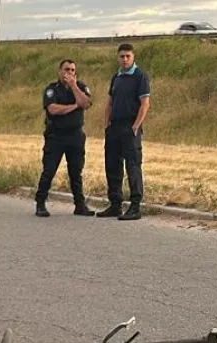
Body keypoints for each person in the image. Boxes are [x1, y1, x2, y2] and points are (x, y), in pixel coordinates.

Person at [35, 59, 94, 218]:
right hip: (56, 136)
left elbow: (86, 103)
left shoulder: (81, 87)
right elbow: (53, 109)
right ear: (59, 71)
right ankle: (40, 203)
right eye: (66, 69)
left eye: (72, 70)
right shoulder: (52, 89)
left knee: (76, 171)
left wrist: (74, 87)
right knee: (49, 170)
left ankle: (79, 205)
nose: (69, 73)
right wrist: (75, 106)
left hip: (75, 135)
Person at [99, 43, 151, 221]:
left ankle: (135, 206)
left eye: (128, 56)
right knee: (112, 165)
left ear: (133, 57)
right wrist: (106, 124)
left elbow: (145, 104)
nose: (125, 59)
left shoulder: (140, 76)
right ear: (117, 57)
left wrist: (136, 126)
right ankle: (115, 204)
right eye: (121, 56)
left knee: (133, 166)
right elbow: (110, 102)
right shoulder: (116, 77)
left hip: (130, 126)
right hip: (114, 126)